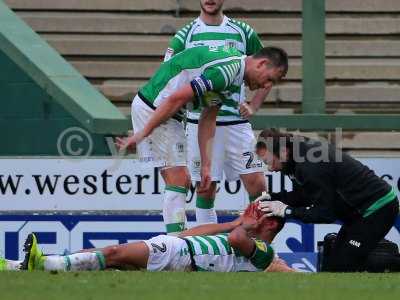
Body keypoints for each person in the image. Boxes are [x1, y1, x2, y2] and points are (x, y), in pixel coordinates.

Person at [116, 46, 288, 236]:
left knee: (181, 180)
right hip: (156, 108)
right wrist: (143, 133)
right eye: (270, 78)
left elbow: (207, 118)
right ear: (262, 64)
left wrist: (206, 165)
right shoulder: (227, 71)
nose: (266, 85)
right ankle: (175, 245)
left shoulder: (233, 78)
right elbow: (176, 98)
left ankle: (176, 242)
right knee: (178, 179)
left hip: (168, 113)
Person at [165, 0, 271, 225]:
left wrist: (253, 105)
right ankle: (208, 252)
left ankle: (261, 251)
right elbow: (168, 75)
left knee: (258, 185)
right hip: (198, 123)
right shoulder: (186, 35)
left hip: (236, 124)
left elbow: (267, 70)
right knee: (206, 189)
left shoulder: (243, 31)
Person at [255, 128, 399, 272]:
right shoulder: (293, 152)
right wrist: (274, 197)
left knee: (345, 265)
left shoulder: (309, 165)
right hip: (359, 213)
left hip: (378, 208)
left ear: (283, 152)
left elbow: (325, 213)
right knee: (333, 266)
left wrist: (287, 211)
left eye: (269, 161)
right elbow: (305, 195)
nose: (271, 168)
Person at [0, 203, 294, 273]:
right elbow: (191, 232)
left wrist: (243, 226)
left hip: (181, 256)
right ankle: (22, 266)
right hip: (180, 248)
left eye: (256, 212)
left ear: (269, 222)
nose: (248, 211)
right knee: (110, 257)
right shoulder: (241, 232)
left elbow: (235, 241)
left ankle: (45, 265)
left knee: (113, 253)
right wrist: (234, 222)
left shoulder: (263, 251)